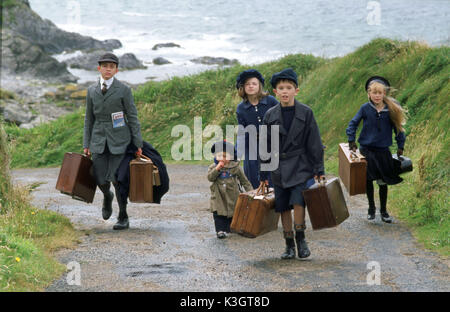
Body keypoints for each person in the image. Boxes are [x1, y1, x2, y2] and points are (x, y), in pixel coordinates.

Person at [260, 68, 325, 259]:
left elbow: (314, 143)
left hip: (301, 166)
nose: (285, 91)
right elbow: (264, 147)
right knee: (282, 206)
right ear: (275, 92)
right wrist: (263, 175)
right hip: (278, 168)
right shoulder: (270, 115)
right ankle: (288, 245)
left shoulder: (306, 113)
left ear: (296, 90)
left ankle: (301, 239)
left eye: (289, 87)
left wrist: (318, 169)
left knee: (299, 201)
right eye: (281, 88)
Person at [83, 52, 143, 230]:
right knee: (99, 177)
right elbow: (88, 119)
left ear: (116, 70)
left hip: (120, 140)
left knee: (118, 179)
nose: (108, 69)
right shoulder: (91, 91)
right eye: (105, 66)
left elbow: (132, 117)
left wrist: (137, 143)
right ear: (99, 68)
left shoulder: (124, 90)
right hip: (98, 139)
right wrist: (86, 143)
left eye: (111, 67)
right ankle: (107, 196)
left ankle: (123, 215)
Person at [346, 76, 407, 223]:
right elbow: (353, 124)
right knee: (368, 180)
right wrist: (351, 139)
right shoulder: (365, 109)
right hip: (366, 150)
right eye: (374, 93)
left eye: (380, 93)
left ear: (384, 94)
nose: (377, 96)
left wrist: (400, 146)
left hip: (383, 152)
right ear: (369, 94)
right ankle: (371, 209)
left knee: (383, 182)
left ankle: (384, 211)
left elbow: (399, 129)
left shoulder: (391, 110)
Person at [236, 69, 278, 189]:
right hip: (252, 145)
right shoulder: (241, 108)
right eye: (247, 84)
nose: (251, 86)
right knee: (252, 175)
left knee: (273, 175)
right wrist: (236, 153)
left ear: (259, 86)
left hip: (271, 143)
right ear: (242, 88)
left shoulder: (271, 101)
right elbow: (242, 132)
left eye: (254, 83)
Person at [207, 141, 253, 239]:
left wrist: (251, 192)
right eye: (219, 156)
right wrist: (217, 169)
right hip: (218, 196)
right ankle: (220, 230)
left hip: (232, 195)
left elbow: (244, 181)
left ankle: (230, 228)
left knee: (233, 212)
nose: (222, 159)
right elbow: (210, 178)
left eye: (225, 156)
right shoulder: (213, 167)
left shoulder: (235, 167)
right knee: (218, 213)